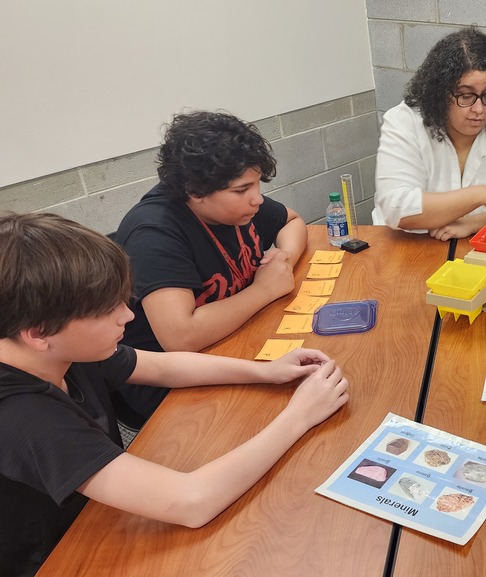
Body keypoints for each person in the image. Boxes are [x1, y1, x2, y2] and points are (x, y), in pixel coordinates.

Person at [0, 212, 350, 576]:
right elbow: (191, 502)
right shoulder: (22, 416)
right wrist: (299, 416)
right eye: (106, 310)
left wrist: (264, 371)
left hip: (101, 513)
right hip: (60, 557)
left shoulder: (59, 349)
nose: (128, 316)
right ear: (38, 333)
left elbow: (162, 367)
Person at [115, 110, 307, 423]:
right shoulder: (154, 232)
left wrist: (284, 257)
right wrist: (265, 290)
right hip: (172, 384)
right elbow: (181, 337)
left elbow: (293, 221)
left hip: (234, 338)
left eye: (256, 184)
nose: (257, 199)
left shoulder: (235, 208)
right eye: (242, 189)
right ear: (195, 191)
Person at [372, 27, 486, 241]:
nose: (479, 109)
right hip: (407, 248)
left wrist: (474, 222)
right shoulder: (405, 122)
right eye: (465, 96)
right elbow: (396, 208)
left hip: (482, 248)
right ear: (439, 94)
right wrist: (481, 195)